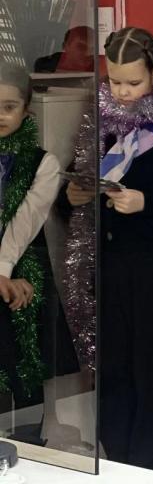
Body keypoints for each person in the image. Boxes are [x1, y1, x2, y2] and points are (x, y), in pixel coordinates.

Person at [63, 27, 153, 474]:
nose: (123, 92)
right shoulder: (100, 114)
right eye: (114, 81)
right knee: (113, 367)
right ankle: (116, 463)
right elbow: (78, 173)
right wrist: (74, 195)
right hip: (109, 261)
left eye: (133, 82)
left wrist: (146, 202)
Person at [0, 61, 78, 443]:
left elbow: (26, 221)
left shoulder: (42, 162)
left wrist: (3, 271)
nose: (1, 115)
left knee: (26, 370)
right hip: (4, 274)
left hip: (23, 271)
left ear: (26, 110)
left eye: (9, 107)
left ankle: (29, 447)